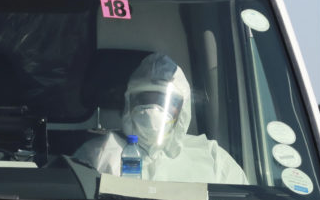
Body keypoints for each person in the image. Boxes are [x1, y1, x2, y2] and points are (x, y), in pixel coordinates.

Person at [73, 52, 247, 183]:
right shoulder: (97, 154)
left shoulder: (213, 158)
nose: (154, 109)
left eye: (165, 101)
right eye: (145, 98)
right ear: (129, 103)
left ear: (182, 109)